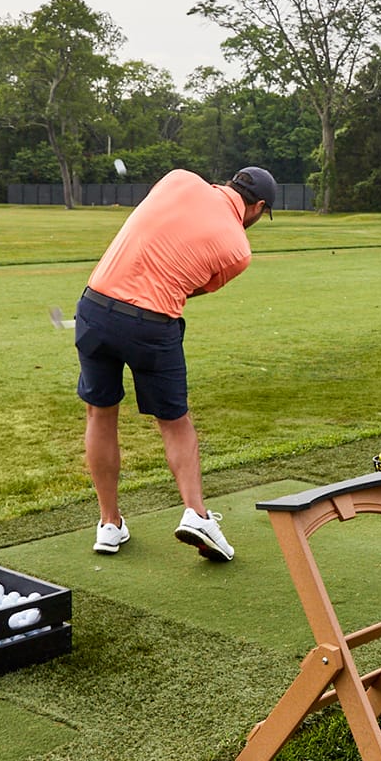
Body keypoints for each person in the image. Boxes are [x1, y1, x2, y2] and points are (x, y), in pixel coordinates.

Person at [75, 165, 276, 562]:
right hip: (151, 324)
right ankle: (197, 515)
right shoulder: (239, 249)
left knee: (100, 413)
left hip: (94, 306)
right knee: (174, 422)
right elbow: (191, 287)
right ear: (259, 207)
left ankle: (109, 524)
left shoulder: (179, 178)